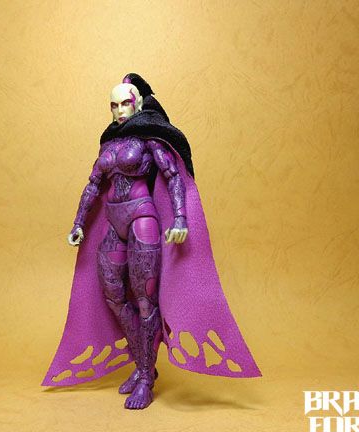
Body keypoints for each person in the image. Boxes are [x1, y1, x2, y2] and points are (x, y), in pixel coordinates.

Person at [42, 74, 261, 410]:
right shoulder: (109, 143)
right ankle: (144, 363)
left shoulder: (149, 138)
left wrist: (181, 218)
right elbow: (93, 185)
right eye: (113, 105)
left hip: (142, 218)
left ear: (139, 103)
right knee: (114, 296)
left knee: (145, 300)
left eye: (125, 103)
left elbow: (172, 175)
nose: (119, 111)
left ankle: (145, 376)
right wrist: (78, 223)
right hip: (114, 222)